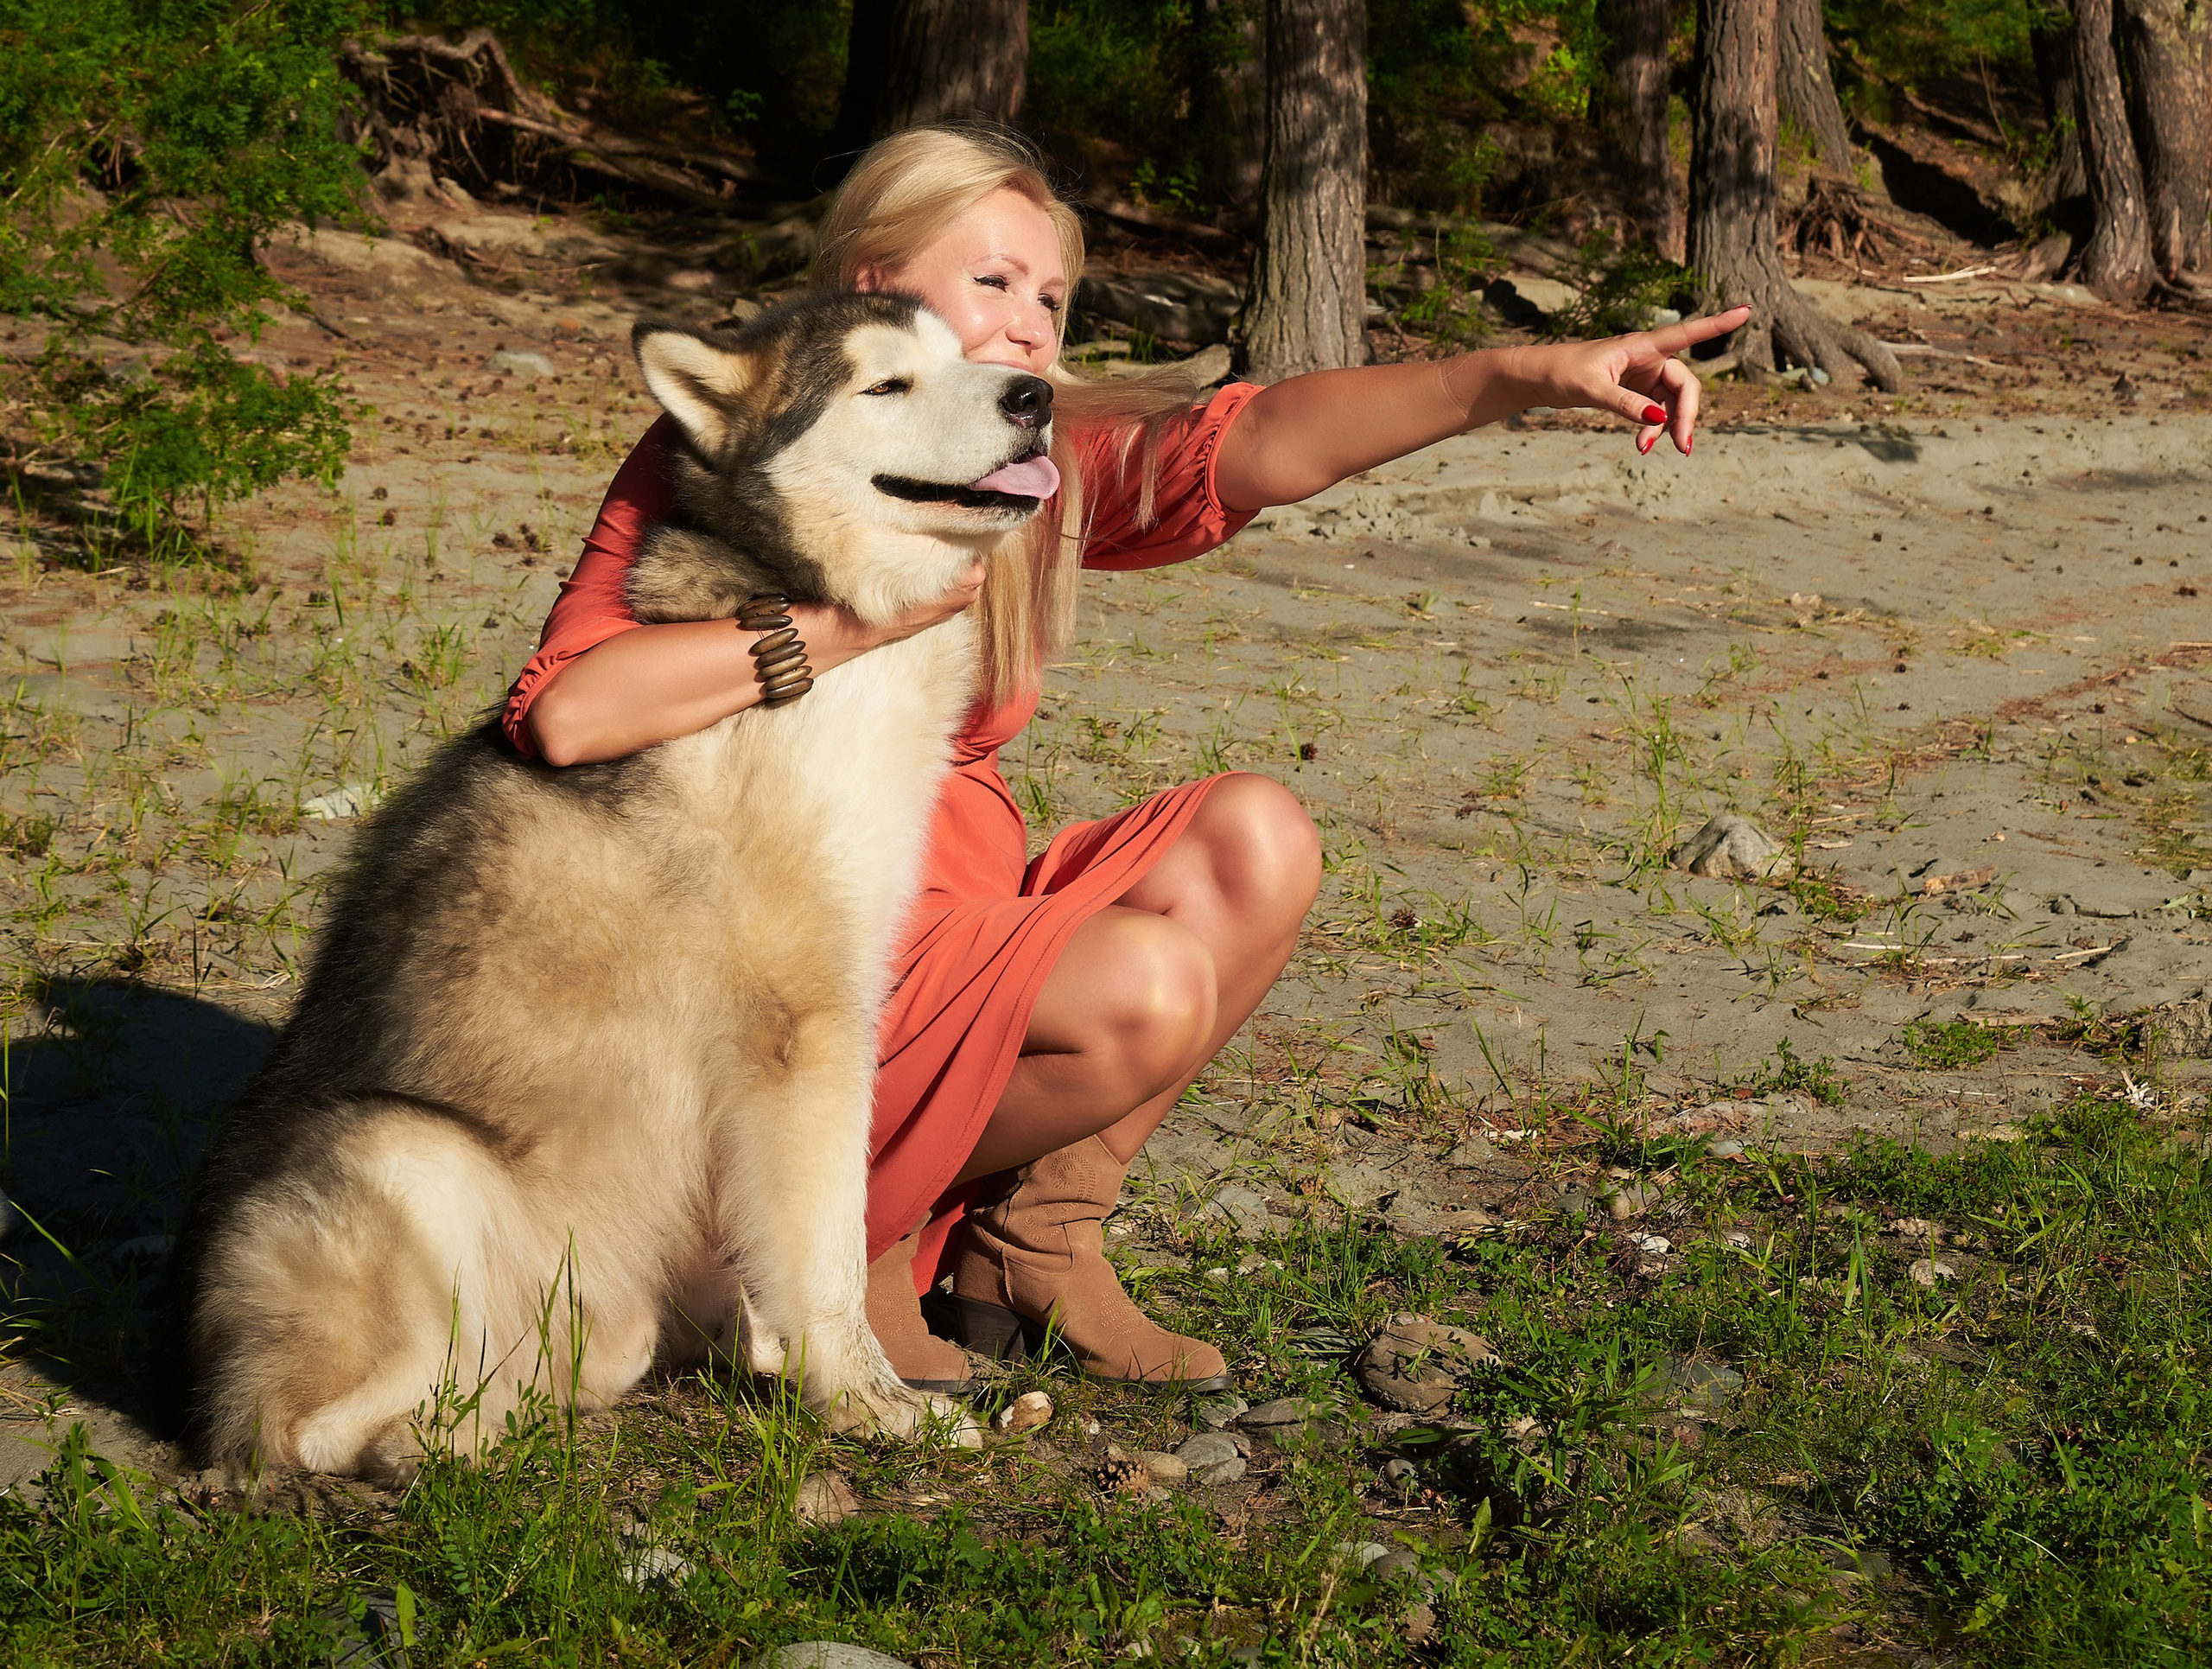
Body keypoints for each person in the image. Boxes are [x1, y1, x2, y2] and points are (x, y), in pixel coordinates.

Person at [502, 125, 1745, 1391]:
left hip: (954, 919)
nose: (1032, 324)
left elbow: (1266, 442)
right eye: (991, 282)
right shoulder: (744, 455)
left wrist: (1530, 373)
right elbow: (566, 716)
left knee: (1256, 839)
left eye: (1050, 298)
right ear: (872, 286)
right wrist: (851, 623)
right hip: (795, 972)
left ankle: (1030, 1246)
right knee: (1143, 990)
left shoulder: (1023, 461)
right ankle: (862, 1244)